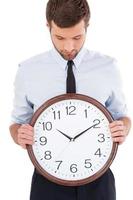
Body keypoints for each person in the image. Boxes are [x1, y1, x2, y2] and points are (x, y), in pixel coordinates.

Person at [9, 0, 131, 200]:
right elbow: (16, 123)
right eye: (59, 37)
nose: (69, 46)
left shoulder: (108, 67)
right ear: (48, 25)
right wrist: (19, 135)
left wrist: (123, 128)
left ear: (87, 26)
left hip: (99, 180)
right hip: (47, 182)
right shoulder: (28, 71)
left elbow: (122, 117)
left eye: (77, 37)